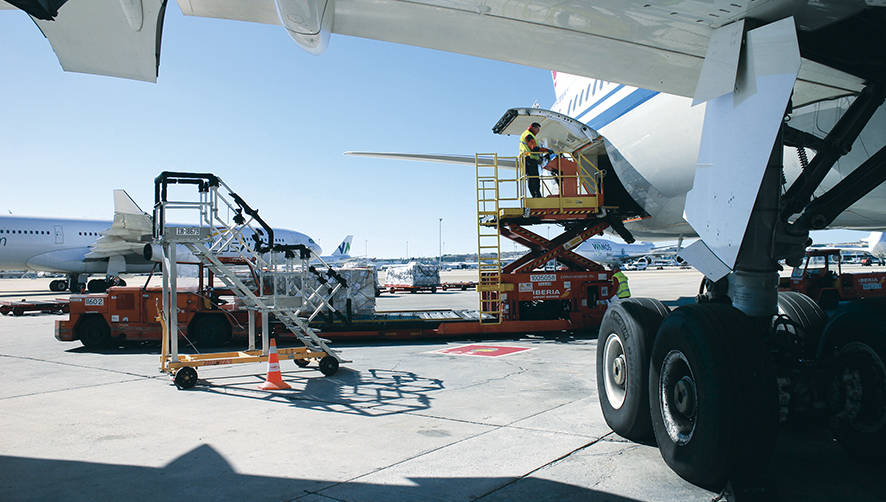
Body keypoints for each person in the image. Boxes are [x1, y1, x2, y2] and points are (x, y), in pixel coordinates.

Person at [520, 122, 553, 198]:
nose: (538, 131)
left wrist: (539, 158)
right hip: (529, 159)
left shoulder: (526, 134)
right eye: (538, 129)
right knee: (534, 178)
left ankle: (535, 195)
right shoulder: (528, 135)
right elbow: (534, 149)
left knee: (531, 178)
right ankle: (536, 195)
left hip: (527, 159)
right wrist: (547, 150)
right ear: (533, 128)